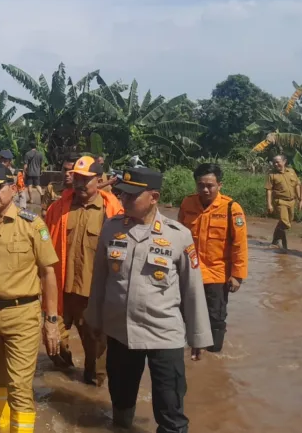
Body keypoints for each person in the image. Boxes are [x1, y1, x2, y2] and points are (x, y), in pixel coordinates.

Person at [86, 167, 212, 431]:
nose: (124, 199)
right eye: (122, 194)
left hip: (163, 333)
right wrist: (95, 321)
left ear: (154, 197)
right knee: (121, 399)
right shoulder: (111, 229)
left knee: (170, 405)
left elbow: (192, 288)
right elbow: (99, 280)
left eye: (132, 195)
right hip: (121, 332)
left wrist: (198, 336)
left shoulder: (177, 235)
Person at [0, 163, 60, 433]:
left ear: (14, 189)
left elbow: (48, 273)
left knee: (19, 385)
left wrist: (51, 321)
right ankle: (3, 427)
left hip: (23, 314)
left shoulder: (33, 225)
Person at [43, 155, 123, 384]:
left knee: (96, 357)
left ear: (99, 179)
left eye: (85, 179)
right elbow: (43, 246)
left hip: (93, 296)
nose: (79, 183)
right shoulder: (58, 208)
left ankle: (91, 391)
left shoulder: (112, 212)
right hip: (60, 292)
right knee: (53, 345)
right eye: (77, 178)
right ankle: (66, 379)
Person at [176, 163, 248, 354]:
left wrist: (237, 275)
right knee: (184, 313)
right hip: (189, 272)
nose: (205, 190)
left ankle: (213, 355)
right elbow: (177, 237)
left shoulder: (231, 208)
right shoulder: (187, 204)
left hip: (217, 275)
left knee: (215, 317)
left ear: (219, 185)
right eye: (201, 185)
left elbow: (240, 245)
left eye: (210, 186)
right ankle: (191, 351)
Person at [266, 154, 301, 251]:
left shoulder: (291, 171)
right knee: (285, 223)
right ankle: (283, 243)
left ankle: (275, 241)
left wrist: (300, 199)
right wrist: (269, 204)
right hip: (280, 202)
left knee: (287, 222)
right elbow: (269, 190)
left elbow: (297, 185)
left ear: (284, 162)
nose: (275, 164)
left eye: (278, 162)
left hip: (292, 201)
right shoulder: (272, 175)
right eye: (274, 163)